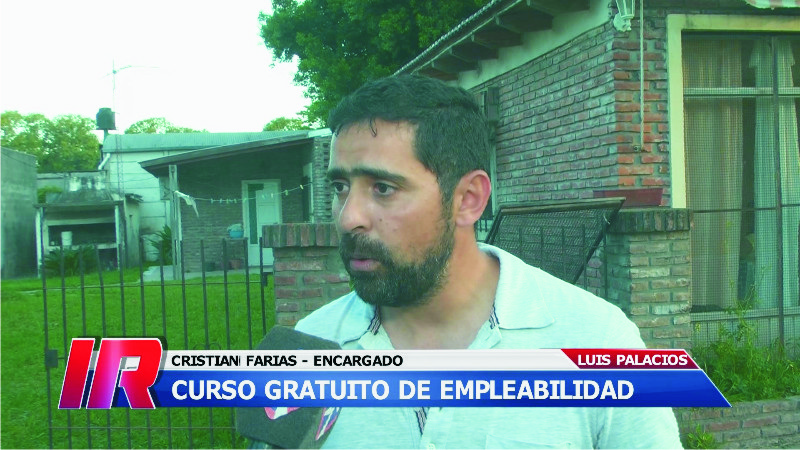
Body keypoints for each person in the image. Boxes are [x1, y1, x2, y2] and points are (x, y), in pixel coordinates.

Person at [294, 75, 683, 448]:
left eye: (383, 188)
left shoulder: (598, 342)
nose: (348, 217)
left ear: (468, 199)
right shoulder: (308, 349)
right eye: (340, 187)